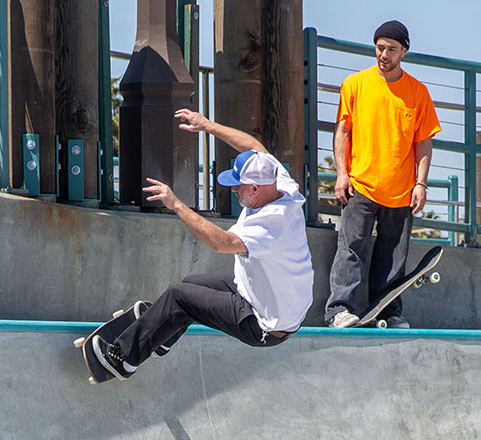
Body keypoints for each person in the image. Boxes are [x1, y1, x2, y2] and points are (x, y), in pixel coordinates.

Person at [83, 109, 312, 381]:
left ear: (256, 189)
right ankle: (163, 334)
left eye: (239, 187)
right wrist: (208, 125)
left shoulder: (271, 225)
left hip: (264, 324)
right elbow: (255, 148)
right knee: (192, 282)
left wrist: (176, 204)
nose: (234, 190)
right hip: (268, 299)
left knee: (178, 295)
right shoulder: (280, 183)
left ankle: (122, 360)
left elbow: (221, 243)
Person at [324, 19, 439, 330]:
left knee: (392, 257)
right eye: (379, 48)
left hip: (401, 191)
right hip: (360, 185)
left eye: (391, 49)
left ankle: (387, 312)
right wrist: (342, 174)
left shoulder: (417, 92)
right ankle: (339, 311)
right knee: (350, 250)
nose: (383, 54)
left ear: (404, 52)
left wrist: (421, 183)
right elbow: (343, 131)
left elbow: (424, 142)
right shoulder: (355, 84)